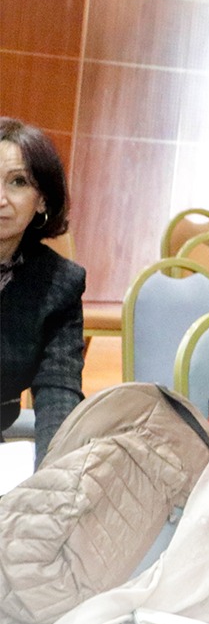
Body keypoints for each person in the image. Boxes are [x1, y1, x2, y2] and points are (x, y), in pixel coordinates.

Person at [0, 119, 84, 466]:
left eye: (18, 182)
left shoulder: (59, 283)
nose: (0, 199)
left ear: (42, 201)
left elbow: (58, 391)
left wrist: (52, 477)